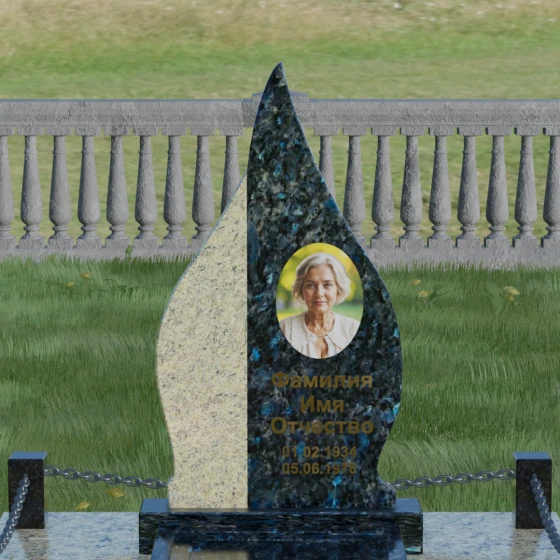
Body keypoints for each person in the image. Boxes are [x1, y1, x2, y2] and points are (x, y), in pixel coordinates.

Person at [279, 252, 360, 359]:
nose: (319, 293)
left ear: (338, 290)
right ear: (301, 290)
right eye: (311, 285)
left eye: (327, 285)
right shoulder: (285, 328)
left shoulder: (353, 329)